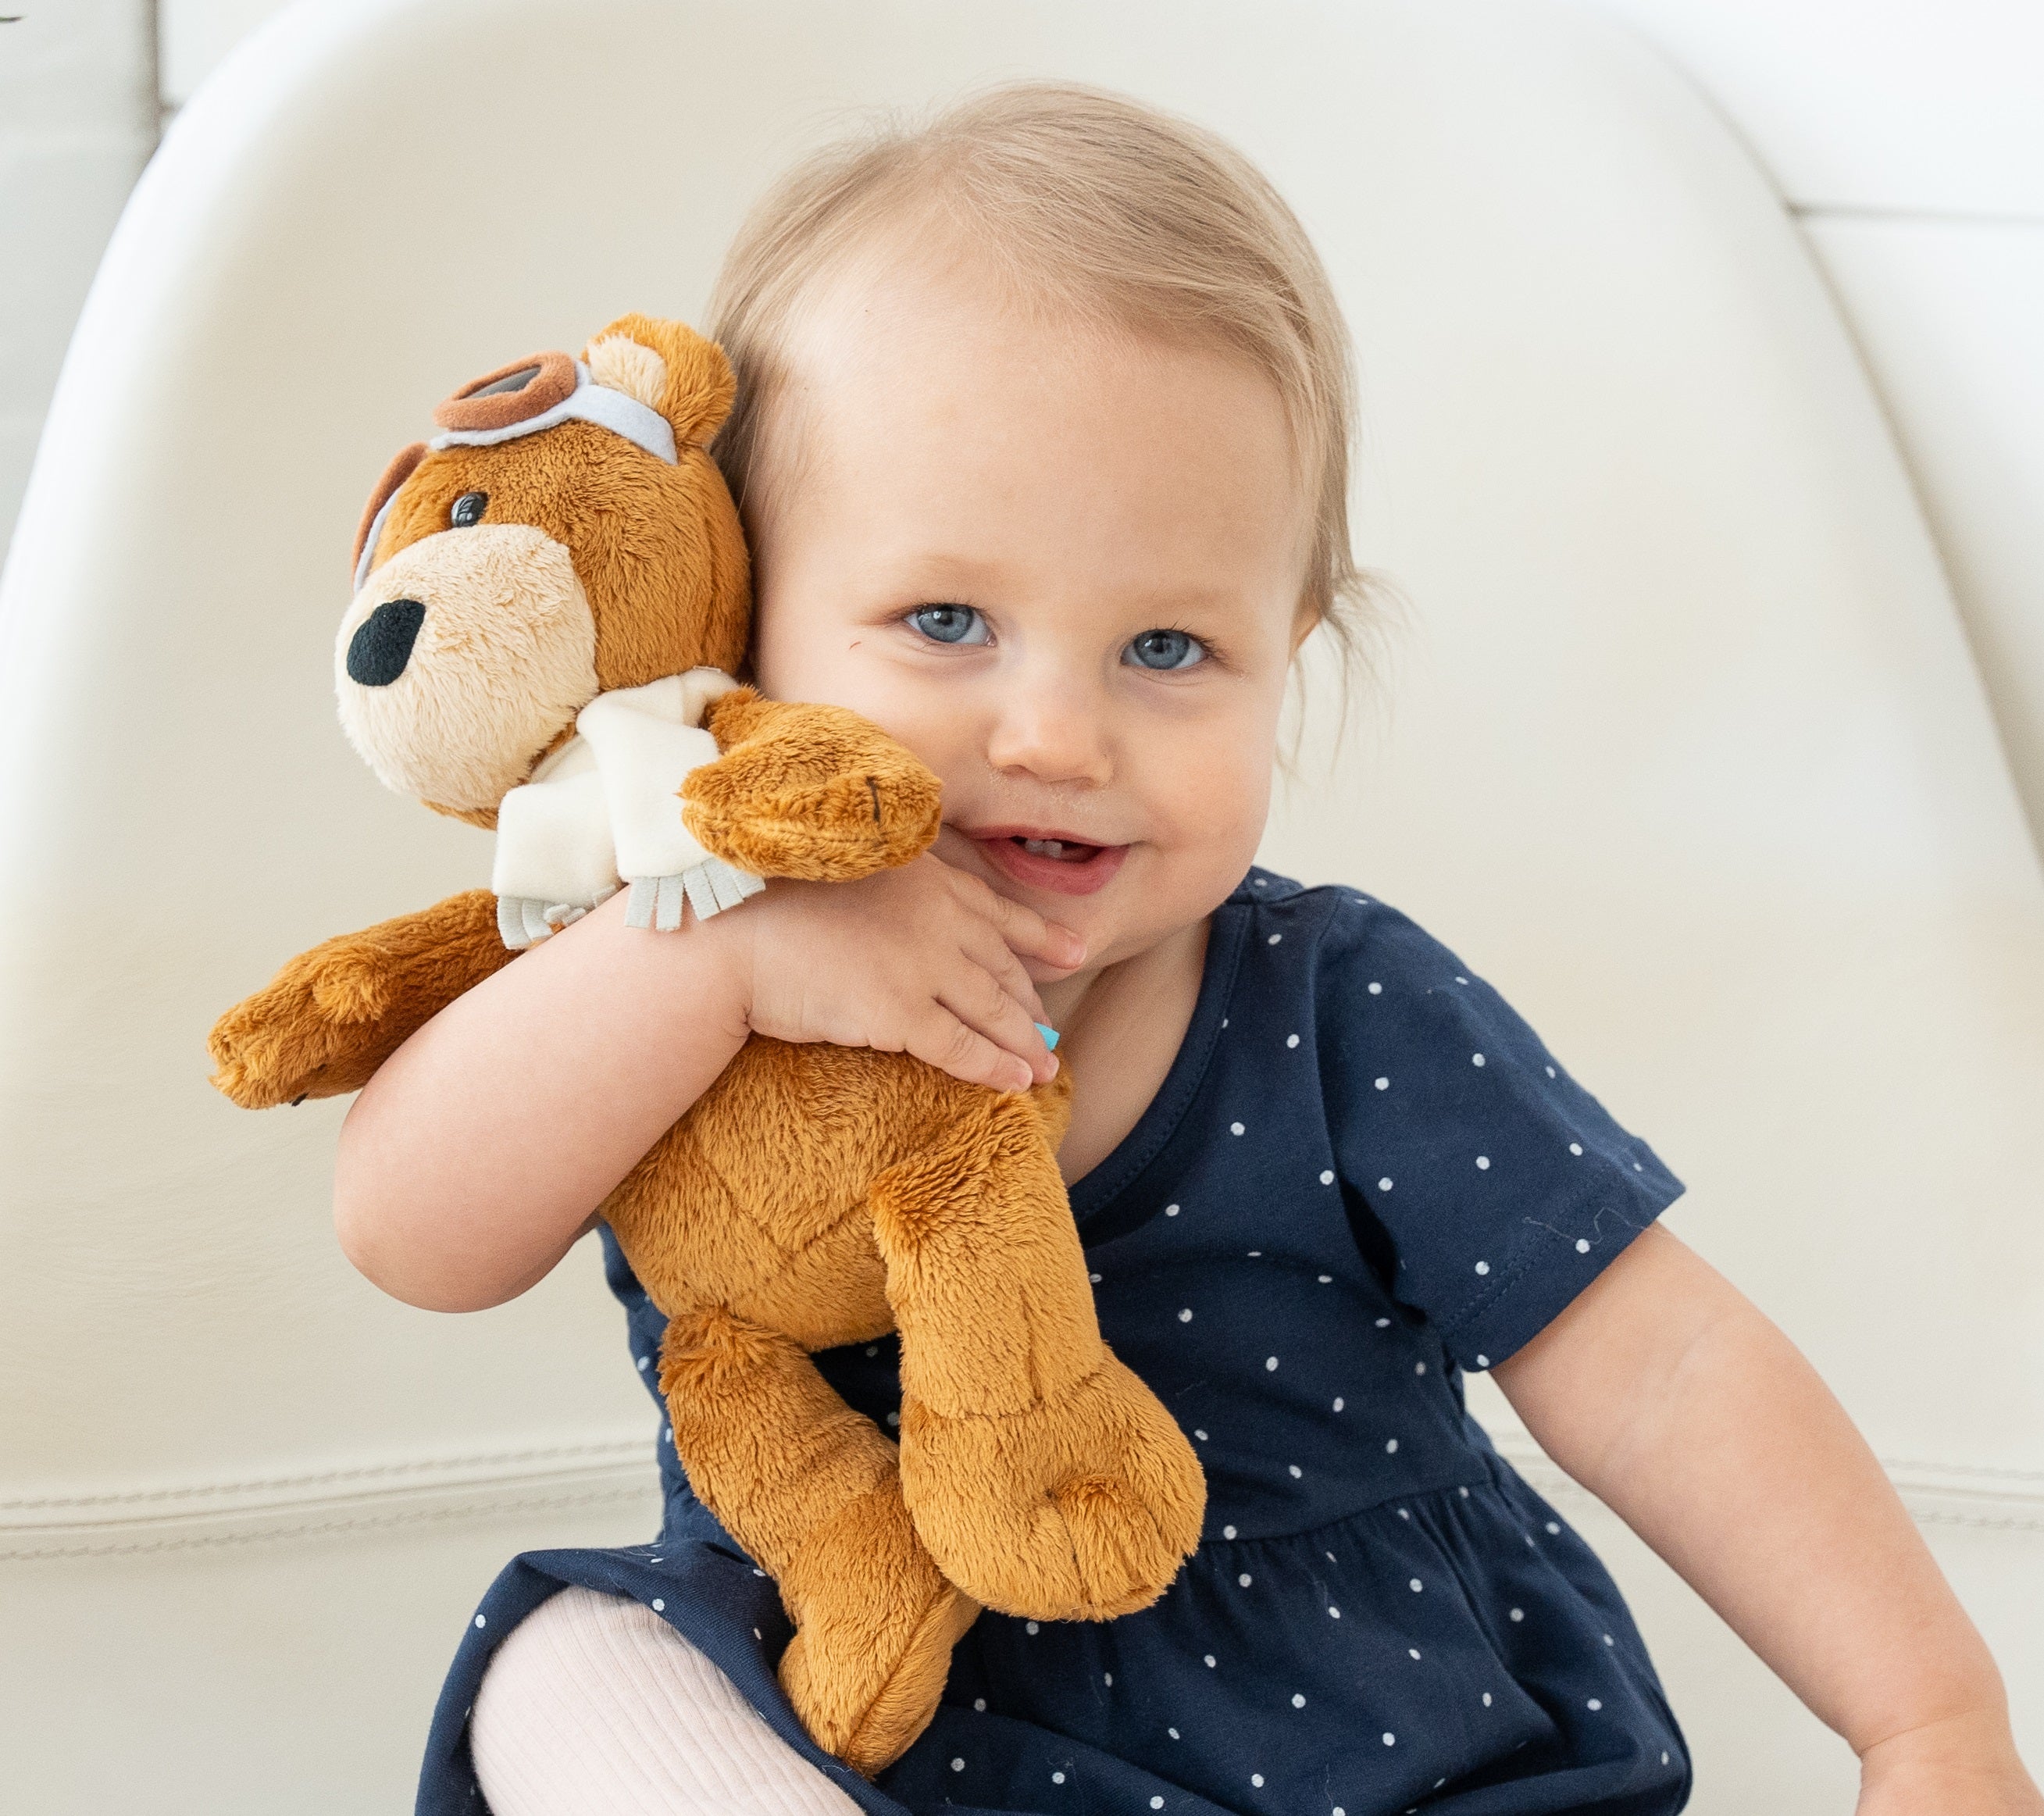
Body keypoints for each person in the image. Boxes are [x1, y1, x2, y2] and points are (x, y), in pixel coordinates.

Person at [334, 84, 2041, 1816]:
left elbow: (1665, 1368)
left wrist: (1927, 1717)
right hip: (867, 1713)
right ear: (746, 614)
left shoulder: (1333, 1003)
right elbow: (411, 1232)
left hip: (1358, 1750)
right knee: (564, 1660)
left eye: (1165, 647)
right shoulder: (670, 958)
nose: (1056, 734)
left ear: (1286, 649)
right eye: (945, 620)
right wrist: (711, 969)